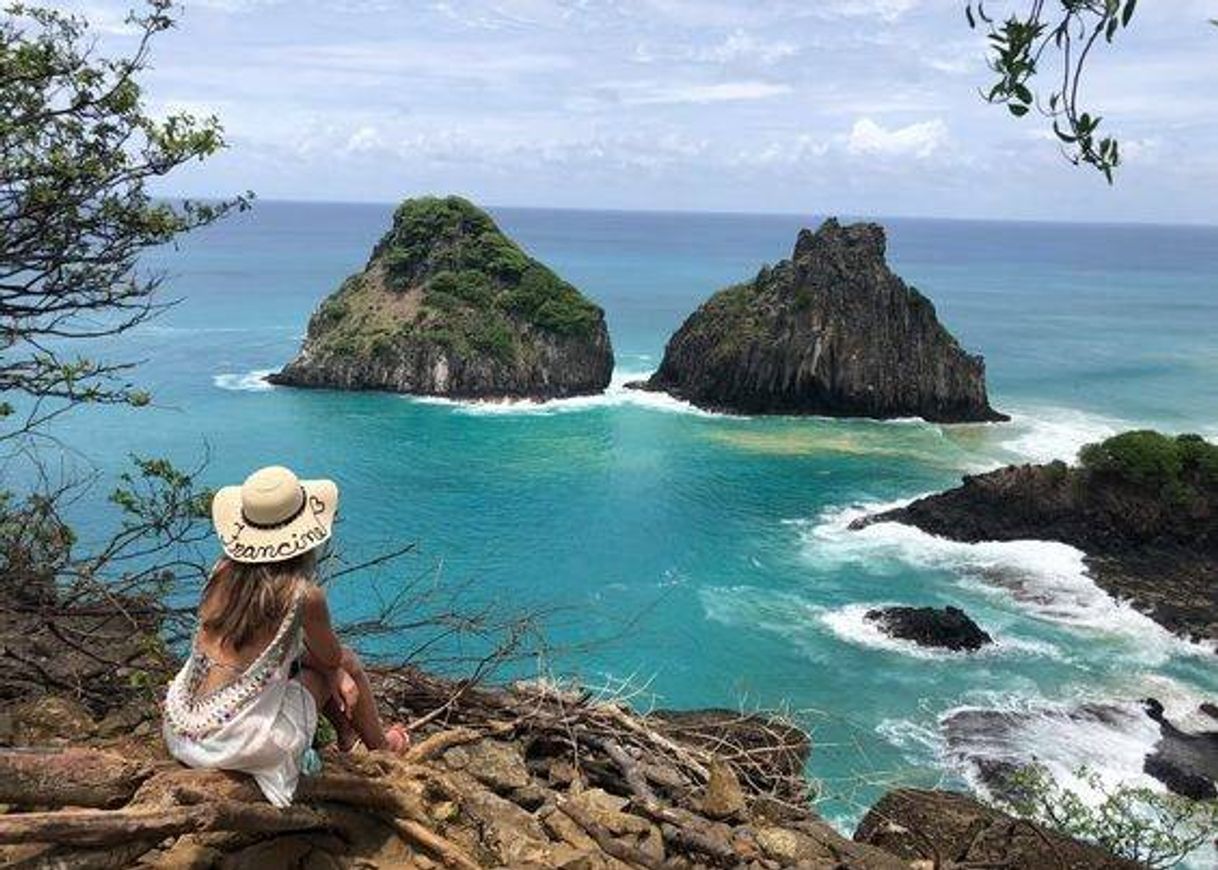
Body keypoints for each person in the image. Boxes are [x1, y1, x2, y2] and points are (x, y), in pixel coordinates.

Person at [163, 465, 409, 806]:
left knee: (329, 668)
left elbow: (262, 654)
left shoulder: (221, 572)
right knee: (339, 666)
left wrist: (333, 667)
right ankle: (383, 750)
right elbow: (331, 658)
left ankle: (350, 737)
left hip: (182, 731)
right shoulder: (302, 594)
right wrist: (337, 671)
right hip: (235, 746)